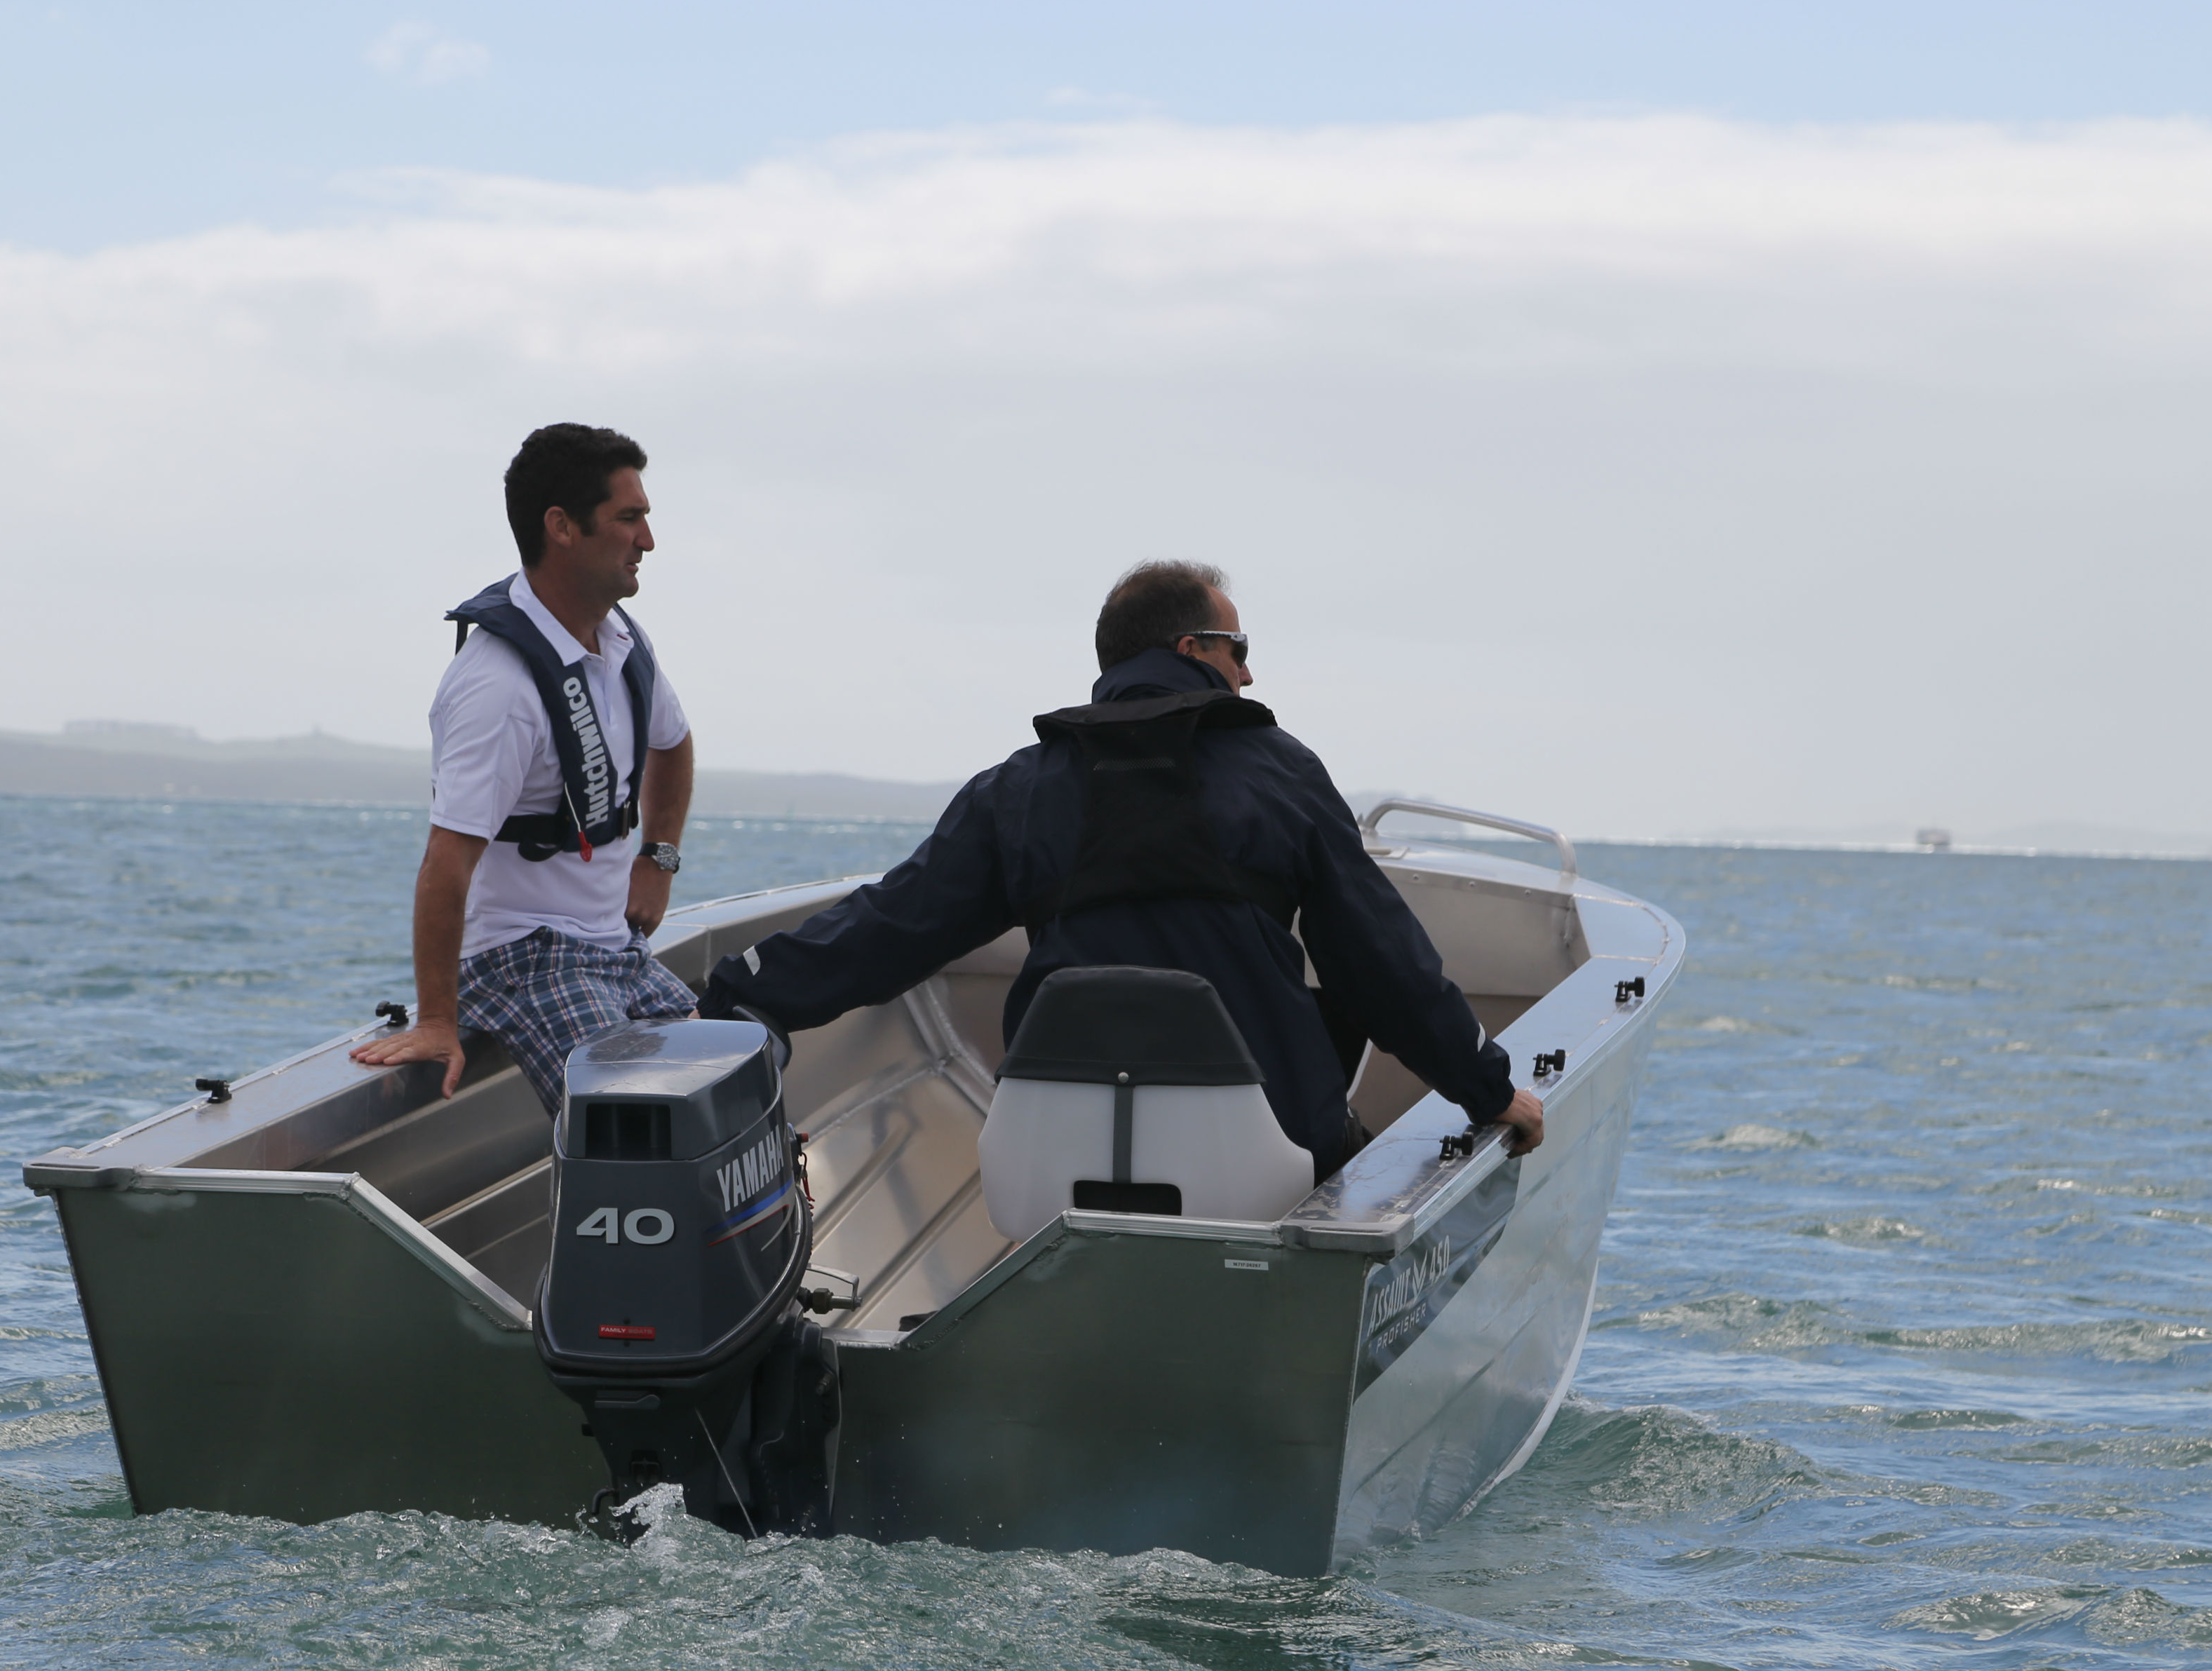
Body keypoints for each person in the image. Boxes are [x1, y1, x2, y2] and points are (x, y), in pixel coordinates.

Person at [699, 559, 1543, 1172]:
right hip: (1262, 1157)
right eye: (1237, 646)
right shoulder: (1279, 770)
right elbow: (1381, 963)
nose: (1249, 671)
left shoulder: (1019, 787)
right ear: (1191, 646)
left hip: (1044, 1164)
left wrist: (742, 992)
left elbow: (890, 928)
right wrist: (1487, 1089)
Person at [351, 424, 698, 1113]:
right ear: (562, 527)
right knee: (641, 1127)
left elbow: (674, 742)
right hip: (522, 959)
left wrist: (656, 860)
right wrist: (437, 1023)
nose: (648, 541)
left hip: (615, 949)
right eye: (629, 520)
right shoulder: (499, 687)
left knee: (740, 1082)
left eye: (646, 520)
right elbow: (445, 863)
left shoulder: (622, 641)